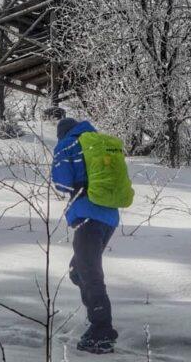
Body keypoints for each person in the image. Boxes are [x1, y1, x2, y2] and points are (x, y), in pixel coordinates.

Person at [51, 113, 120, 354]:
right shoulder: (96, 140)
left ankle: (102, 331)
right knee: (78, 270)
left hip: (88, 215)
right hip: (109, 216)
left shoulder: (66, 144)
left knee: (89, 272)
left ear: (62, 132)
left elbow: (63, 184)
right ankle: (96, 320)